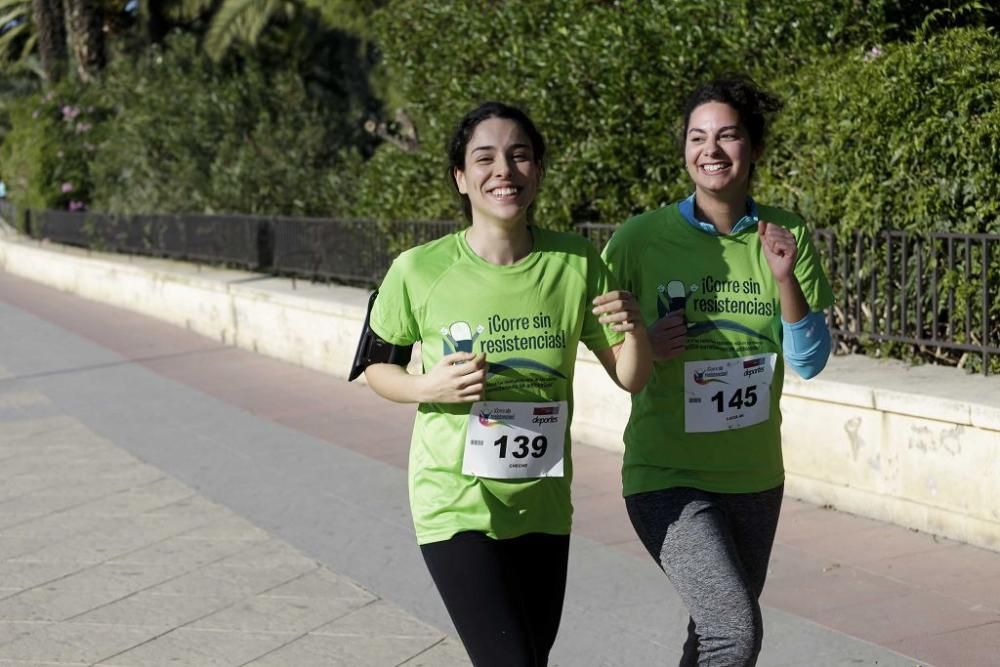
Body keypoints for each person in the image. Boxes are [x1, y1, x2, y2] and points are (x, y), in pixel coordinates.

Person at [351, 101, 651, 666]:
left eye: (519, 156)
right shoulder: (418, 269)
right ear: (461, 178)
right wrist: (426, 387)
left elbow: (631, 377)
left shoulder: (578, 262)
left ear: (537, 169)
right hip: (454, 500)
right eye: (484, 158)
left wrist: (633, 328)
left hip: (541, 500)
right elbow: (375, 369)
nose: (504, 171)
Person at [601, 75, 834, 666]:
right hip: (665, 473)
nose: (711, 149)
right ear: (684, 149)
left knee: (712, 635)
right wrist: (645, 344)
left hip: (754, 476)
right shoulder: (640, 239)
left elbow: (808, 360)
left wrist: (784, 278)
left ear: (751, 147)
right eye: (697, 137)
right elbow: (605, 345)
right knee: (735, 632)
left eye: (727, 135)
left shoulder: (788, 234)